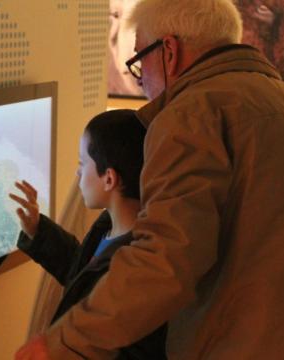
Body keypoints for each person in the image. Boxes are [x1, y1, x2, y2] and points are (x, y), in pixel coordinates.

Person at [16, 0, 284, 359]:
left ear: (169, 51)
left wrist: (61, 343)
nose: (141, 83)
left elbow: (167, 258)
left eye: (140, 60)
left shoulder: (192, 113)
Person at [9, 110, 167, 359]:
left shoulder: (136, 263)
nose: (78, 174)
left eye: (82, 164)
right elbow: (82, 274)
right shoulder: (108, 228)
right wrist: (39, 230)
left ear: (109, 178)